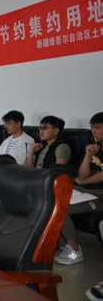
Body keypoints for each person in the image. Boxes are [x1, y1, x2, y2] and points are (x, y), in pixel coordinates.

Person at [55, 112, 103, 266]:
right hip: (83, 191)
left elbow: (99, 177)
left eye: (97, 128)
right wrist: (88, 156)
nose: (93, 131)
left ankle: (75, 250)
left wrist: (83, 181)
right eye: (92, 128)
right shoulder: (96, 148)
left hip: (99, 195)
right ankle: (58, 243)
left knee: (61, 209)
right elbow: (82, 174)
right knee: (51, 201)